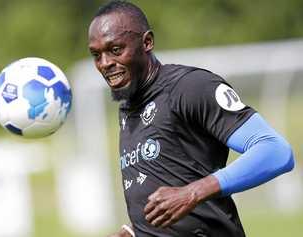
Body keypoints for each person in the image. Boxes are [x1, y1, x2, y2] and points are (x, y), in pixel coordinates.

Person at [88, 1, 295, 236]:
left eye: (115, 50)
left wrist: (193, 192)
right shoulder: (128, 107)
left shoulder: (190, 87)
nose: (105, 63)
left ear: (147, 42)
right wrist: (136, 231)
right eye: (96, 55)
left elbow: (276, 151)